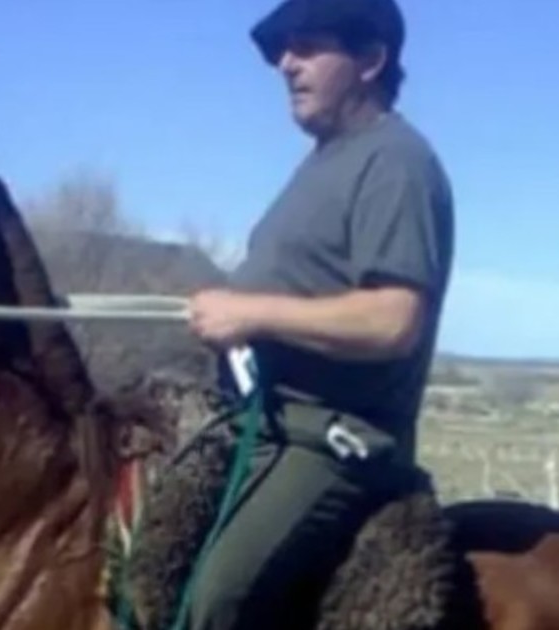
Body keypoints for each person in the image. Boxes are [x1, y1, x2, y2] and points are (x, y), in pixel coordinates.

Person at [183, 0, 455, 628]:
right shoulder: (325, 161)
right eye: (283, 50)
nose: (286, 63)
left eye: (307, 46)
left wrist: (250, 313)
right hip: (262, 425)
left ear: (370, 59)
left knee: (215, 601)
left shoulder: (396, 161)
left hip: (332, 443)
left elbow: (393, 319)